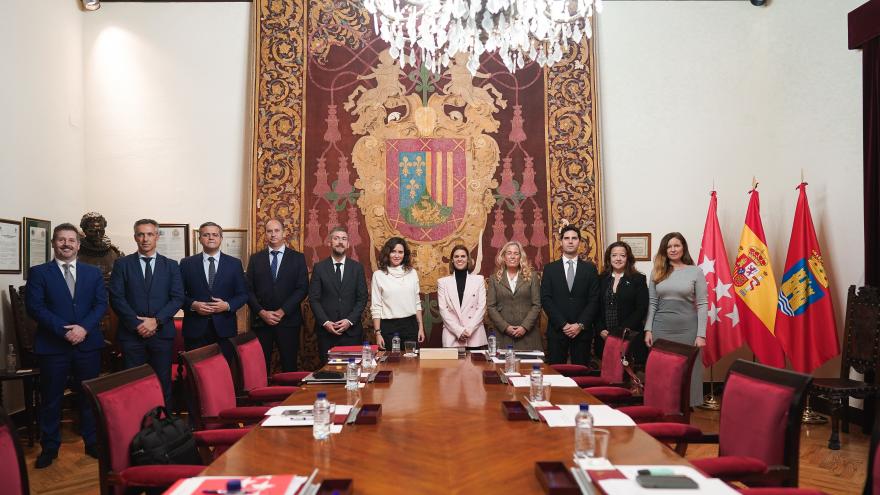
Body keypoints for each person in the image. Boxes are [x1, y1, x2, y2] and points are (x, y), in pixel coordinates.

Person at [25, 223, 107, 468]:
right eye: (61, 240)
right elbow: (35, 308)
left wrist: (83, 329)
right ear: (53, 243)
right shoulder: (39, 273)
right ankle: (50, 447)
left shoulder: (92, 273)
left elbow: (101, 304)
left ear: (78, 245)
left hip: (87, 344)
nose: (66, 244)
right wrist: (65, 331)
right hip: (53, 346)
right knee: (51, 398)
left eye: (71, 240)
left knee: (88, 396)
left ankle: (92, 442)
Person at [108, 219, 184, 408]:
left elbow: (177, 298)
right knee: (133, 385)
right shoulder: (122, 264)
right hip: (131, 336)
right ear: (135, 237)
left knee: (162, 384)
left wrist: (156, 321)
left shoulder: (171, 265)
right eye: (141, 234)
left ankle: (164, 430)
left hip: (161, 335)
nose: (145, 239)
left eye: (150, 234)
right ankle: (135, 430)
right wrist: (137, 324)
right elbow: (116, 298)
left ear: (157, 236)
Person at [644, 232, 708, 407]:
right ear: (665, 249)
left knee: (688, 370)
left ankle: (686, 407)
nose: (673, 249)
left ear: (683, 248)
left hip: (688, 330)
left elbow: (703, 304)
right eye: (669, 246)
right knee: (662, 370)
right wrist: (648, 329)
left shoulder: (695, 271)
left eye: (676, 245)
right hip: (661, 329)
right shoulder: (657, 271)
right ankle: (661, 407)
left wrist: (701, 334)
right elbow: (652, 303)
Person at [179, 222, 248, 363]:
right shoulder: (186, 263)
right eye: (206, 234)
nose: (211, 238)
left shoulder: (234, 264)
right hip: (195, 329)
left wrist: (227, 305)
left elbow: (243, 294)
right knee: (195, 374)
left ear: (221, 238)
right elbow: (177, 295)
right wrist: (193, 305)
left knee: (224, 372)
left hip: (225, 329)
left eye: (215, 234)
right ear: (200, 239)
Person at [246, 218, 309, 372]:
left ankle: (289, 396)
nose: (273, 234)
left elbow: (302, 288)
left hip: (288, 320)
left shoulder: (297, 258)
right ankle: (263, 396)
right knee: (260, 367)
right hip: (261, 322)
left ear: (284, 233)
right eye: (269, 231)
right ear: (265, 234)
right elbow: (248, 290)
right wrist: (261, 312)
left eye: (276, 230)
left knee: (289, 365)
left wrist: (282, 311)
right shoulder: (255, 259)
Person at [540, 225, 600, 366]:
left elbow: (594, 299)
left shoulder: (590, 269)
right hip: (557, 331)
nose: (570, 241)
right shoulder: (550, 269)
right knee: (556, 375)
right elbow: (546, 299)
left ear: (579, 242)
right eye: (566, 238)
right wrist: (563, 324)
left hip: (582, 332)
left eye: (574, 238)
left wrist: (580, 325)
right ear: (561, 242)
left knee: (581, 376)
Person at [309, 226, 369, 364]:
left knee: (352, 372)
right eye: (336, 238)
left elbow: (362, 298)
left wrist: (349, 320)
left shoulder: (357, 268)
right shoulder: (319, 268)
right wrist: (325, 322)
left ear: (348, 244)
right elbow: (314, 299)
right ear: (329, 242)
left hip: (351, 332)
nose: (340, 242)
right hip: (326, 332)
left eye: (344, 239)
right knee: (329, 375)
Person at [594, 241, 649, 365]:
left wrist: (620, 332)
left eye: (622, 255)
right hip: (605, 337)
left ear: (628, 258)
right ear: (609, 258)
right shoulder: (601, 279)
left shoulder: (638, 279)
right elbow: (595, 307)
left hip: (630, 337)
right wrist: (600, 329)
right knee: (608, 378)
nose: (618, 259)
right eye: (614, 255)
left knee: (627, 378)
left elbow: (641, 309)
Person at [486, 240, 542, 350]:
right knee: (501, 367)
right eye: (509, 253)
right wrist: (505, 327)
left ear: (521, 257)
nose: (512, 257)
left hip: (528, 336)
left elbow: (537, 305)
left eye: (516, 253)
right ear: (503, 257)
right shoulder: (494, 279)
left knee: (529, 367)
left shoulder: (532, 276)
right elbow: (491, 307)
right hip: (503, 336)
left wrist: (524, 327)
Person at [371, 237, 424, 350]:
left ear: (404, 254)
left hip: (410, 325)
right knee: (392, 364)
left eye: (400, 252)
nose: (397, 255)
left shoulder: (412, 273)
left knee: (411, 364)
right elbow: (376, 306)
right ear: (387, 253)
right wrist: (378, 333)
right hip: (388, 327)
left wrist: (421, 327)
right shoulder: (378, 275)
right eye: (393, 251)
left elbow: (417, 302)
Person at [437, 245, 487, 349]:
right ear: (452, 260)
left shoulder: (479, 280)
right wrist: (459, 331)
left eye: (463, 256)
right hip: (452, 336)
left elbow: (481, 307)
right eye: (456, 256)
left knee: (475, 366)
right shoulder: (443, 282)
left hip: (474, 335)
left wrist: (469, 330)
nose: (460, 259)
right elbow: (443, 310)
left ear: (468, 260)